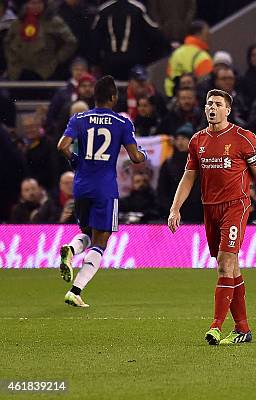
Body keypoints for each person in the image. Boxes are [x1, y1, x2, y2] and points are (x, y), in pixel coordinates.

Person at [168, 89, 256, 346]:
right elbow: (189, 177)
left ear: (227, 110)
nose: (211, 107)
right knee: (232, 268)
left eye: (218, 104)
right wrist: (175, 208)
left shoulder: (244, 138)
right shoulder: (197, 140)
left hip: (236, 206)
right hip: (210, 208)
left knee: (224, 262)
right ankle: (243, 328)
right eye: (209, 103)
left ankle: (216, 325)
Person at [56, 75, 148, 307]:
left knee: (87, 231)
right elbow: (136, 157)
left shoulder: (79, 118)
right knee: (102, 240)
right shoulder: (122, 122)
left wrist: (75, 161)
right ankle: (76, 290)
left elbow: (62, 146)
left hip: (81, 185)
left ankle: (72, 248)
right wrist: (144, 154)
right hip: (105, 187)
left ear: (93, 97)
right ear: (114, 97)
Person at [3, 0, 77, 80]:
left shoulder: (54, 22)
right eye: (32, 3)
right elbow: (7, 42)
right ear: (27, 4)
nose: (35, 6)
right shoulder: (18, 22)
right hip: (19, 72)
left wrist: (57, 59)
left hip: (45, 72)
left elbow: (71, 42)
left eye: (39, 3)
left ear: (44, 4)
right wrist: (12, 59)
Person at [157, 123, 203, 223]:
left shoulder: (199, 163)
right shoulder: (168, 163)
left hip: (195, 214)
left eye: (184, 138)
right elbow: (162, 188)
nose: (180, 142)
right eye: (178, 138)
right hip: (172, 212)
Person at [165, 20, 213, 97]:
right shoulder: (203, 57)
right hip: (194, 101)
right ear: (198, 34)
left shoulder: (175, 54)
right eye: (207, 34)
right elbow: (207, 85)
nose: (209, 37)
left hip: (174, 99)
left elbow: (169, 79)